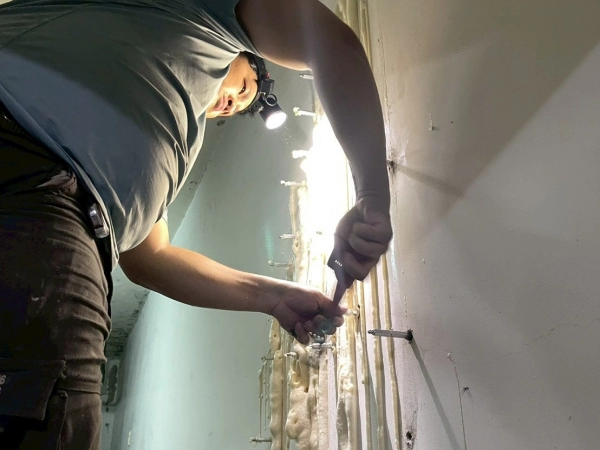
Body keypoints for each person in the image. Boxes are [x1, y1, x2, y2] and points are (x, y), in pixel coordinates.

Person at [0, 0, 393, 447]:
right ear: (241, 50)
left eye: (236, 108)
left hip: (61, 218)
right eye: (243, 86)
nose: (233, 102)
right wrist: (372, 195)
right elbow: (325, 37)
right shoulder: (190, 13)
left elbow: (150, 258)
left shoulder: (172, 139)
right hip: (28, 171)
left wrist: (275, 297)